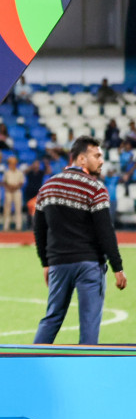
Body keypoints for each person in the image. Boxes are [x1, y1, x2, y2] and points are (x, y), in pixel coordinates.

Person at [33, 136, 127, 345]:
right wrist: (117, 267)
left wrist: (46, 263)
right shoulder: (96, 188)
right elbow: (105, 232)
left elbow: (39, 230)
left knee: (52, 318)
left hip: (58, 264)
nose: (101, 161)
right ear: (82, 159)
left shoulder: (47, 187)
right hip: (89, 264)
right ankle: (86, 371)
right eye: (97, 156)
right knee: (89, 323)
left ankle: (30, 364)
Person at [2, 155, 27, 231]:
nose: (11, 165)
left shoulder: (19, 172)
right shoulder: (7, 172)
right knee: (7, 209)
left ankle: (18, 226)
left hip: (17, 191)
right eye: (10, 163)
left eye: (12, 163)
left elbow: (21, 182)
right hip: (8, 191)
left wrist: (15, 187)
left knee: (18, 209)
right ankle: (6, 226)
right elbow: (4, 182)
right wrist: (9, 187)